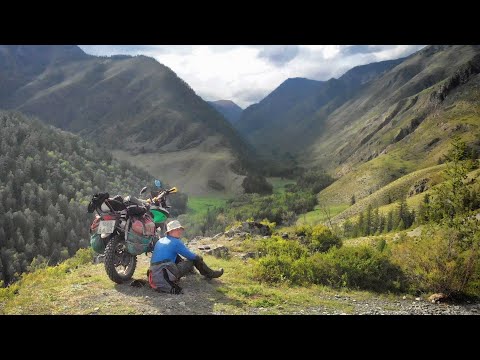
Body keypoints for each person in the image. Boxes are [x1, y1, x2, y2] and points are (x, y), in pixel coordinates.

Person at [148, 220, 223, 294]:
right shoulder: (176, 242)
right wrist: (199, 258)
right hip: (165, 272)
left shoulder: (160, 240)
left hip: (154, 274)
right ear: (170, 231)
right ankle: (211, 274)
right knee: (195, 258)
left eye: (180, 229)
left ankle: (192, 272)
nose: (179, 231)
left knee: (176, 256)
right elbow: (191, 256)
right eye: (177, 229)